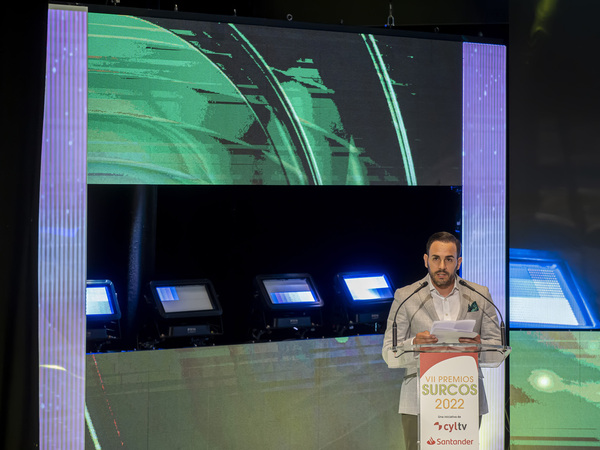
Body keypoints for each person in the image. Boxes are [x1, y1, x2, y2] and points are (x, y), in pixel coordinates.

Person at [381, 231, 502, 450]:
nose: (442, 266)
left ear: (459, 262)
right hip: (418, 401)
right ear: (426, 260)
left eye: (449, 259)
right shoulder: (406, 296)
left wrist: (478, 347)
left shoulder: (479, 294)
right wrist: (414, 345)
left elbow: (496, 349)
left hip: (465, 396)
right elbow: (389, 352)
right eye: (436, 258)